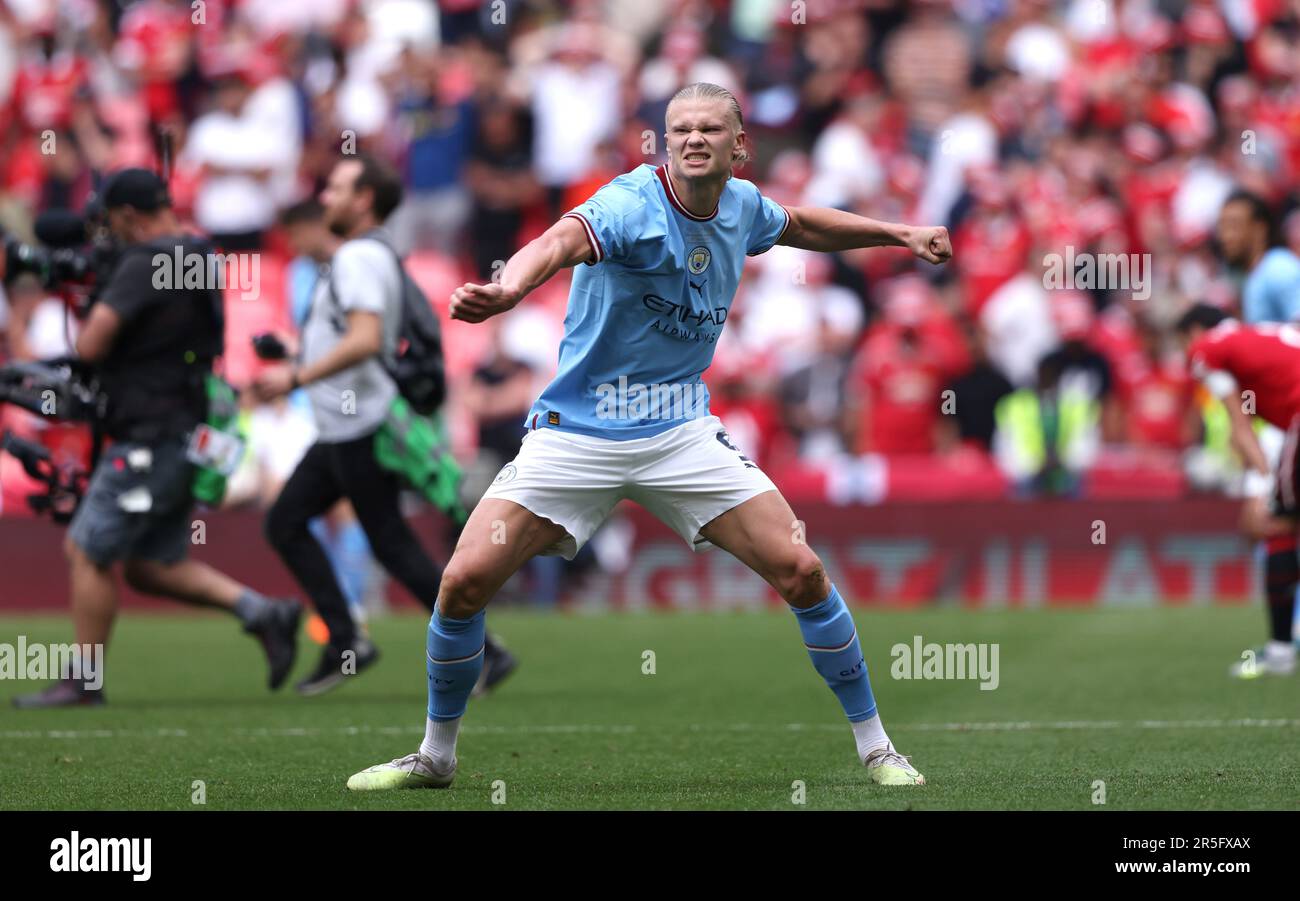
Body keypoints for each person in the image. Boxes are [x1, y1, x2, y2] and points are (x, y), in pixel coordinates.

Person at [347, 83, 952, 792]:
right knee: (462, 580)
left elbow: (800, 225)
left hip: (678, 431)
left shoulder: (742, 206)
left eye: (708, 129)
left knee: (802, 568)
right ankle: (435, 756)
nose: (693, 138)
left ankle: (877, 747)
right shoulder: (631, 203)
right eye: (680, 129)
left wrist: (899, 234)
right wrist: (508, 289)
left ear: (739, 146)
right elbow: (560, 241)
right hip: (579, 432)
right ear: (665, 142)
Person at [13, 168, 301, 709]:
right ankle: (265, 613)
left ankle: (83, 681)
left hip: (151, 433)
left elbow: (93, 344)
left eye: (109, 222)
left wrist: (85, 292)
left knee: (87, 547)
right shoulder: (198, 255)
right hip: (185, 427)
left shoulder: (144, 261)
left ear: (125, 216)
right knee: (152, 565)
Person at [254, 155, 516, 697]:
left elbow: (366, 340)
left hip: (360, 426)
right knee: (320, 528)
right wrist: (297, 354)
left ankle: (364, 639)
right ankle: (365, 639)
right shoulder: (366, 257)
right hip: (348, 427)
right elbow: (351, 337)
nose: (325, 197)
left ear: (365, 199)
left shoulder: (357, 258)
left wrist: (295, 376)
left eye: (336, 187)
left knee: (378, 541)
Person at [1179, 304, 1300, 678]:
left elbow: (1240, 428)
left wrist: (1262, 486)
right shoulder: (1261, 337)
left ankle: (1280, 651)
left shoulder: (1204, 349)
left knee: (1279, 527)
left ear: (1196, 330)